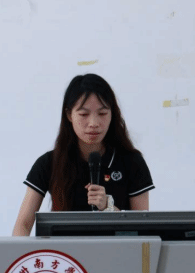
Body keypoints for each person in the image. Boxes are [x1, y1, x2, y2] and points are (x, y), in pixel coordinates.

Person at [12, 74, 155, 236]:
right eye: (84, 114)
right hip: (64, 252)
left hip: (116, 250)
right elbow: (23, 224)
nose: (93, 123)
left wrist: (108, 207)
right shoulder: (48, 163)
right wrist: (19, 250)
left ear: (112, 114)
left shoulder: (132, 162)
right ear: (69, 115)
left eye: (102, 113)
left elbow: (142, 229)